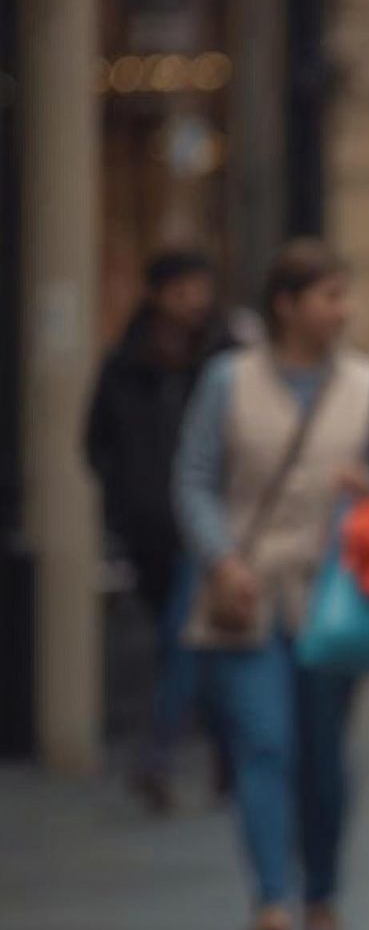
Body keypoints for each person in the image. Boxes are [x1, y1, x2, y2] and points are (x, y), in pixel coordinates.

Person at [172, 238, 369, 930]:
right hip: (246, 595)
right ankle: (271, 899)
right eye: (329, 296)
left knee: (324, 758)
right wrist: (220, 557)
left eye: (345, 294)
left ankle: (320, 898)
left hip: (334, 603)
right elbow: (194, 479)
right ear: (287, 306)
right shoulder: (227, 381)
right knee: (264, 746)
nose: (343, 310)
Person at [86, 248, 227, 813]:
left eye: (200, 287)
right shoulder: (126, 363)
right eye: (181, 288)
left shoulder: (221, 357)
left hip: (207, 532)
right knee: (194, 648)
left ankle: (160, 756)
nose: (193, 300)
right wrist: (125, 502)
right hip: (149, 531)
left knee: (184, 642)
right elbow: (97, 442)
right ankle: (220, 753)